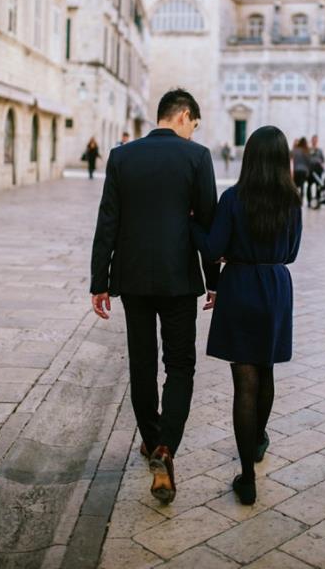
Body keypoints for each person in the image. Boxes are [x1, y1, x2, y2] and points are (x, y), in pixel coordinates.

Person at [90, 88, 219, 504]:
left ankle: (150, 440)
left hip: (133, 279)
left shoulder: (122, 156)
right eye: (193, 126)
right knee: (180, 365)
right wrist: (212, 278)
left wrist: (99, 281)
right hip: (180, 278)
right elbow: (207, 223)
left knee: (142, 363)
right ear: (183, 116)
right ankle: (166, 447)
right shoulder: (197, 158)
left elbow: (108, 220)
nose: (192, 134)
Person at [191, 126, 302, 505]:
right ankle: (258, 440)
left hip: (239, 285)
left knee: (245, 383)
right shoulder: (291, 200)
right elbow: (292, 253)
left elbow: (213, 246)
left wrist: (193, 223)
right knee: (266, 369)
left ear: (249, 157)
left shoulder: (234, 198)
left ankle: (247, 477)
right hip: (274, 286)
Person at [290, 137, 310, 203]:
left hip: (296, 170)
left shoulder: (295, 150)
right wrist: (308, 171)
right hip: (303, 171)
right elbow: (308, 162)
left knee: (295, 186)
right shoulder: (306, 151)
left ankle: (294, 199)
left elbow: (289, 156)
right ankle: (301, 200)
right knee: (302, 186)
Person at [308, 134, 325, 207]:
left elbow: (323, 159)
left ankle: (318, 201)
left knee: (318, 186)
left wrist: (321, 164)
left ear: (317, 141)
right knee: (309, 185)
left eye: (316, 140)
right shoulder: (308, 149)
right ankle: (309, 201)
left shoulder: (320, 150)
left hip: (318, 170)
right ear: (311, 140)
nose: (314, 141)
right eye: (313, 140)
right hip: (311, 169)